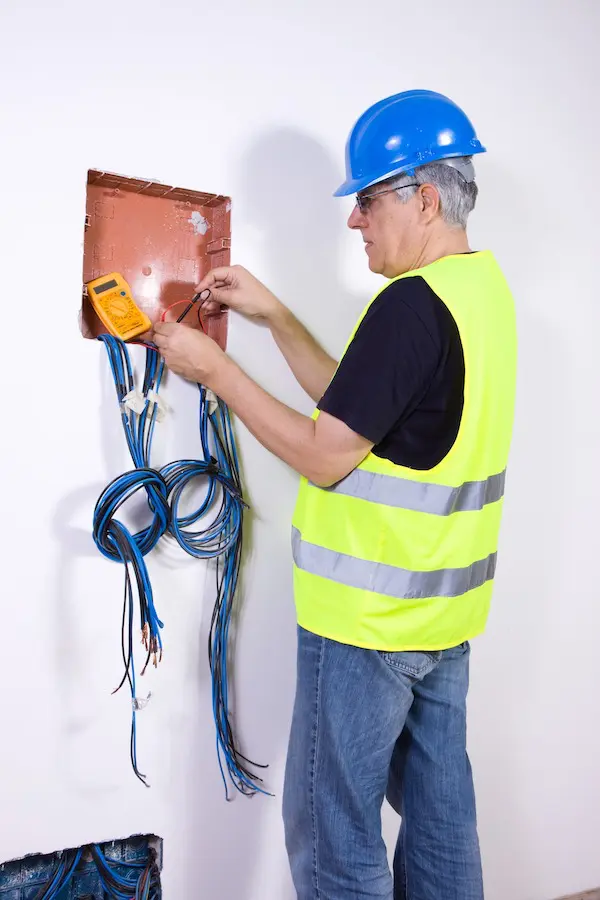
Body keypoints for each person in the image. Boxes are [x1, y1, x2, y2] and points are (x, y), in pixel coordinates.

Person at [153, 89, 517, 900]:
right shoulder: (479, 295)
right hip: (440, 621)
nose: (355, 221)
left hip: (365, 626)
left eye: (367, 199)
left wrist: (215, 371)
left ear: (423, 196)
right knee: (441, 821)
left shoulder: (410, 307)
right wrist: (274, 315)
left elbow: (326, 455)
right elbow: (362, 407)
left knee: (333, 838)